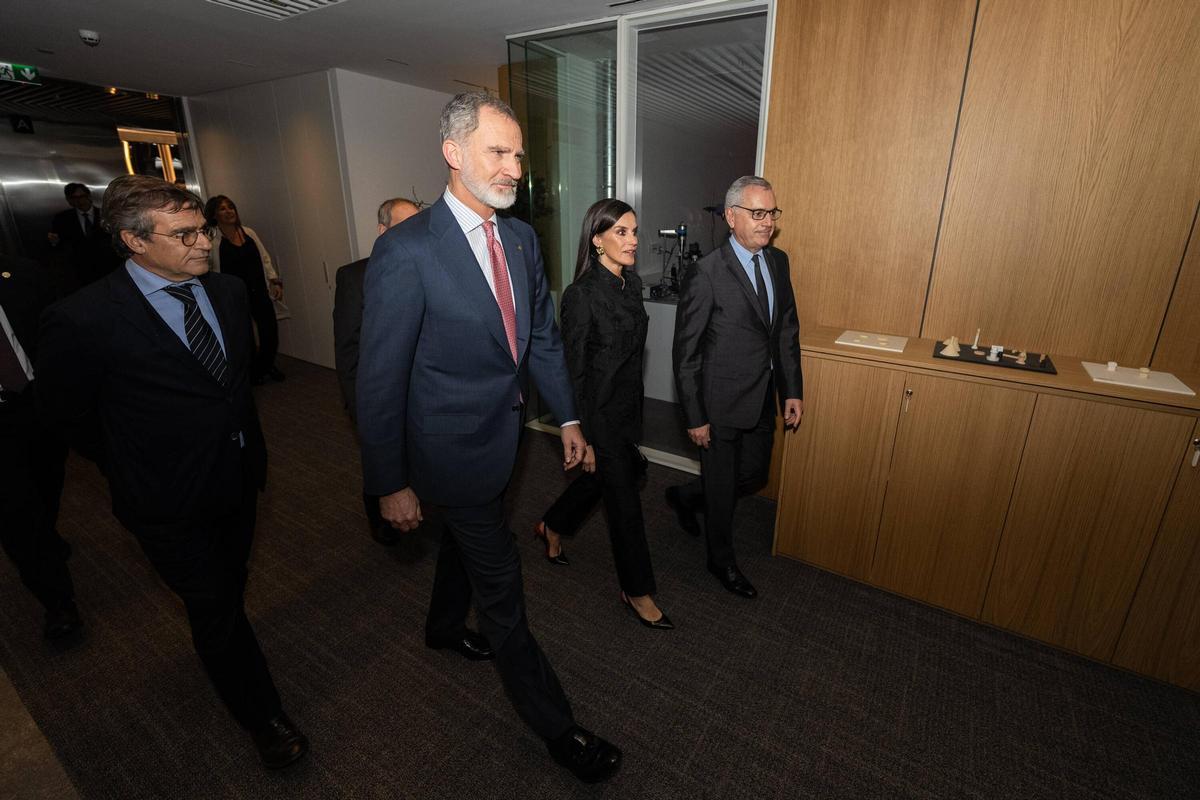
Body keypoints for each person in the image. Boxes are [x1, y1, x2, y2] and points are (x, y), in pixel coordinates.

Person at [357, 92, 621, 784]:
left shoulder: (523, 237)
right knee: (502, 591)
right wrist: (389, 481)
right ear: (453, 154)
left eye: (517, 154)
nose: (513, 167)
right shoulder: (406, 252)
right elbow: (378, 381)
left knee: (467, 540)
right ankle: (558, 727)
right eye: (497, 152)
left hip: (505, 444)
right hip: (445, 446)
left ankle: (443, 627)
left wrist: (565, 416)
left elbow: (537, 336)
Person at [36, 175, 308, 769]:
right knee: (212, 603)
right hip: (162, 499)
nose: (204, 243)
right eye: (184, 234)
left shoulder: (229, 292)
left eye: (203, 229)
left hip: (237, 478)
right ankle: (263, 716)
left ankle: (225, 646)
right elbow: (69, 417)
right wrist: (132, 462)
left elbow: (232, 391)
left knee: (226, 592)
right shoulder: (83, 318)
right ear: (134, 242)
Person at [534, 199, 672, 630]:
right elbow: (573, 371)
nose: (633, 241)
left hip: (627, 409)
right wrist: (584, 436)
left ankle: (552, 525)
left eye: (634, 232)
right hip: (597, 417)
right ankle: (637, 590)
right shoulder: (581, 296)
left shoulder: (630, 286)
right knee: (625, 503)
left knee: (603, 482)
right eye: (621, 233)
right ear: (597, 241)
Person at [667, 175, 804, 600]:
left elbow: (785, 330)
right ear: (731, 217)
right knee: (724, 491)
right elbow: (685, 352)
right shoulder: (706, 273)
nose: (767, 223)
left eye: (772, 214)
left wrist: (792, 390)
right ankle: (720, 561)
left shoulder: (779, 262)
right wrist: (695, 416)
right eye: (758, 214)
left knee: (753, 475)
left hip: (762, 399)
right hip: (718, 403)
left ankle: (686, 496)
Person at [333, 197, 426, 547]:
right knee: (385, 461)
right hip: (379, 398)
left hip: (423, 395)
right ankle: (382, 520)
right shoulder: (355, 277)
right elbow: (349, 352)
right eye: (404, 227)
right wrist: (363, 413)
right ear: (382, 231)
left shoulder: (431, 270)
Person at [1, 254, 81, 640]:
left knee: (47, 483)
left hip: (36, 405)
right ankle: (59, 604)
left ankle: (45, 536)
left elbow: (60, 331)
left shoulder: (23, 273)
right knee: (16, 515)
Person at [204, 195, 285, 384]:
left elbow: (265, 258)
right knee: (244, 335)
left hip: (258, 290)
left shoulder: (248, 232)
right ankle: (251, 373)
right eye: (223, 208)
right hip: (232, 296)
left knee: (269, 331)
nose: (229, 211)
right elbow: (208, 268)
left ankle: (266, 365)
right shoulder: (212, 239)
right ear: (214, 214)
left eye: (231, 207)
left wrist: (275, 280)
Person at [48, 182, 117, 289]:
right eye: (74, 198)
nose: (79, 200)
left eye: (82, 196)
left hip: (109, 267)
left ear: (89, 196)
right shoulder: (62, 219)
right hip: (79, 272)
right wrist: (54, 242)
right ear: (69, 200)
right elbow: (58, 245)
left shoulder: (105, 215)